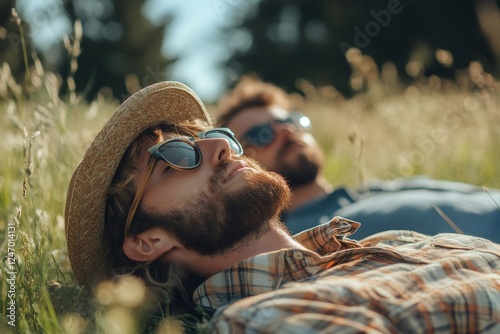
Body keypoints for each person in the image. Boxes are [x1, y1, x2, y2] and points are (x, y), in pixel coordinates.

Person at [65, 81, 500, 332]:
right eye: (178, 158)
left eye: (211, 136)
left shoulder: (387, 242)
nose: (221, 145)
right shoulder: (262, 319)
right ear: (148, 241)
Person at [216, 76, 500, 242]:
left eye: (290, 120)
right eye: (262, 134)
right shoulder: (304, 240)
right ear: (243, 163)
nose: (287, 130)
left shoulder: (374, 189)